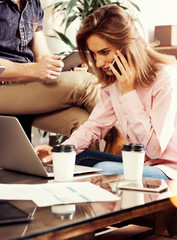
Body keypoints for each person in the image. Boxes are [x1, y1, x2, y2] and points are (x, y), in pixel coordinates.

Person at [35, 5, 177, 180]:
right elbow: (94, 126)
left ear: (128, 45)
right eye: (94, 54)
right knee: (79, 158)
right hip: (142, 165)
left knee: (103, 168)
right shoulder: (114, 84)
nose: (99, 62)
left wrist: (128, 92)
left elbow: (155, 150)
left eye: (104, 52)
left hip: (170, 170)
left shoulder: (164, 78)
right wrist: (60, 151)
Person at [0, 0, 100, 141]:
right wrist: (34, 69)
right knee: (86, 83)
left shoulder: (32, 3)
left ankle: (106, 159)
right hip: (3, 86)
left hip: (26, 85)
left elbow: (42, 55)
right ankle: (128, 137)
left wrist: (61, 66)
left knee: (85, 124)